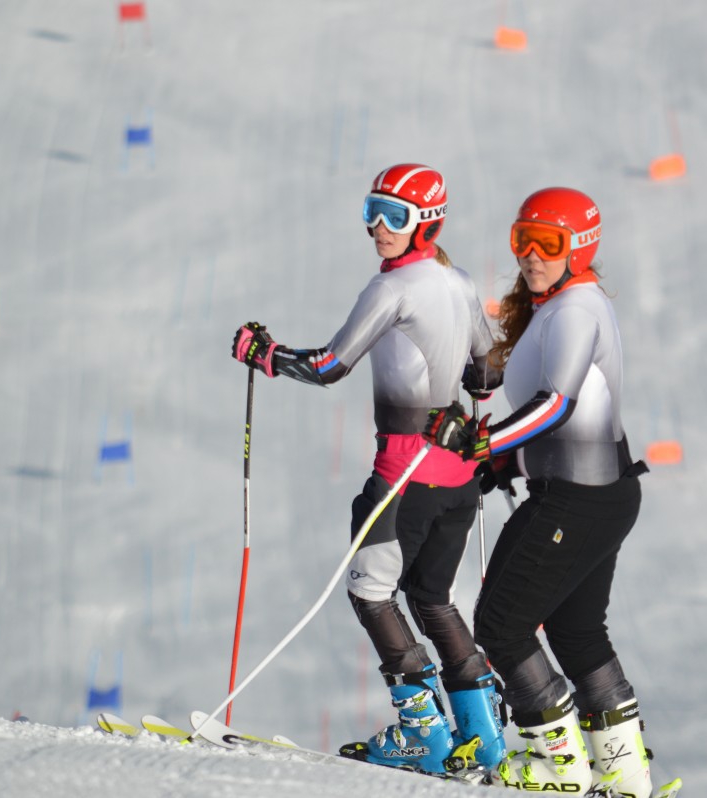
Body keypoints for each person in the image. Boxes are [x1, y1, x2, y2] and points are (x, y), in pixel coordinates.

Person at [230, 163, 507, 776]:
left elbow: (330, 366)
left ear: (426, 223)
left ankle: (424, 733)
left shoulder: (392, 289)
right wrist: (454, 371)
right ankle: (483, 735)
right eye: (371, 211)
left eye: (394, 216)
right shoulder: (458, 281)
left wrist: (264, 355)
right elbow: (487, 375)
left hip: (405, 475)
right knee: (432, 598)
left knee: (370, 592)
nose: (379, 227)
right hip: (458, 479)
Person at [426, 187, 677, 797]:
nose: (532, 255)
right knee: (577, 630)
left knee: (501, 624)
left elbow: (557, 405)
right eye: (523, 241)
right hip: (594, 494)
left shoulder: (575, 310)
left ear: (578, 248)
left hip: (577, 499)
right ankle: (624, 773)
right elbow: (565, 412)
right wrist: (505, 459)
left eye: (548, 243)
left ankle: (558, 766)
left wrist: (481, 442)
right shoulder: (556, 305)